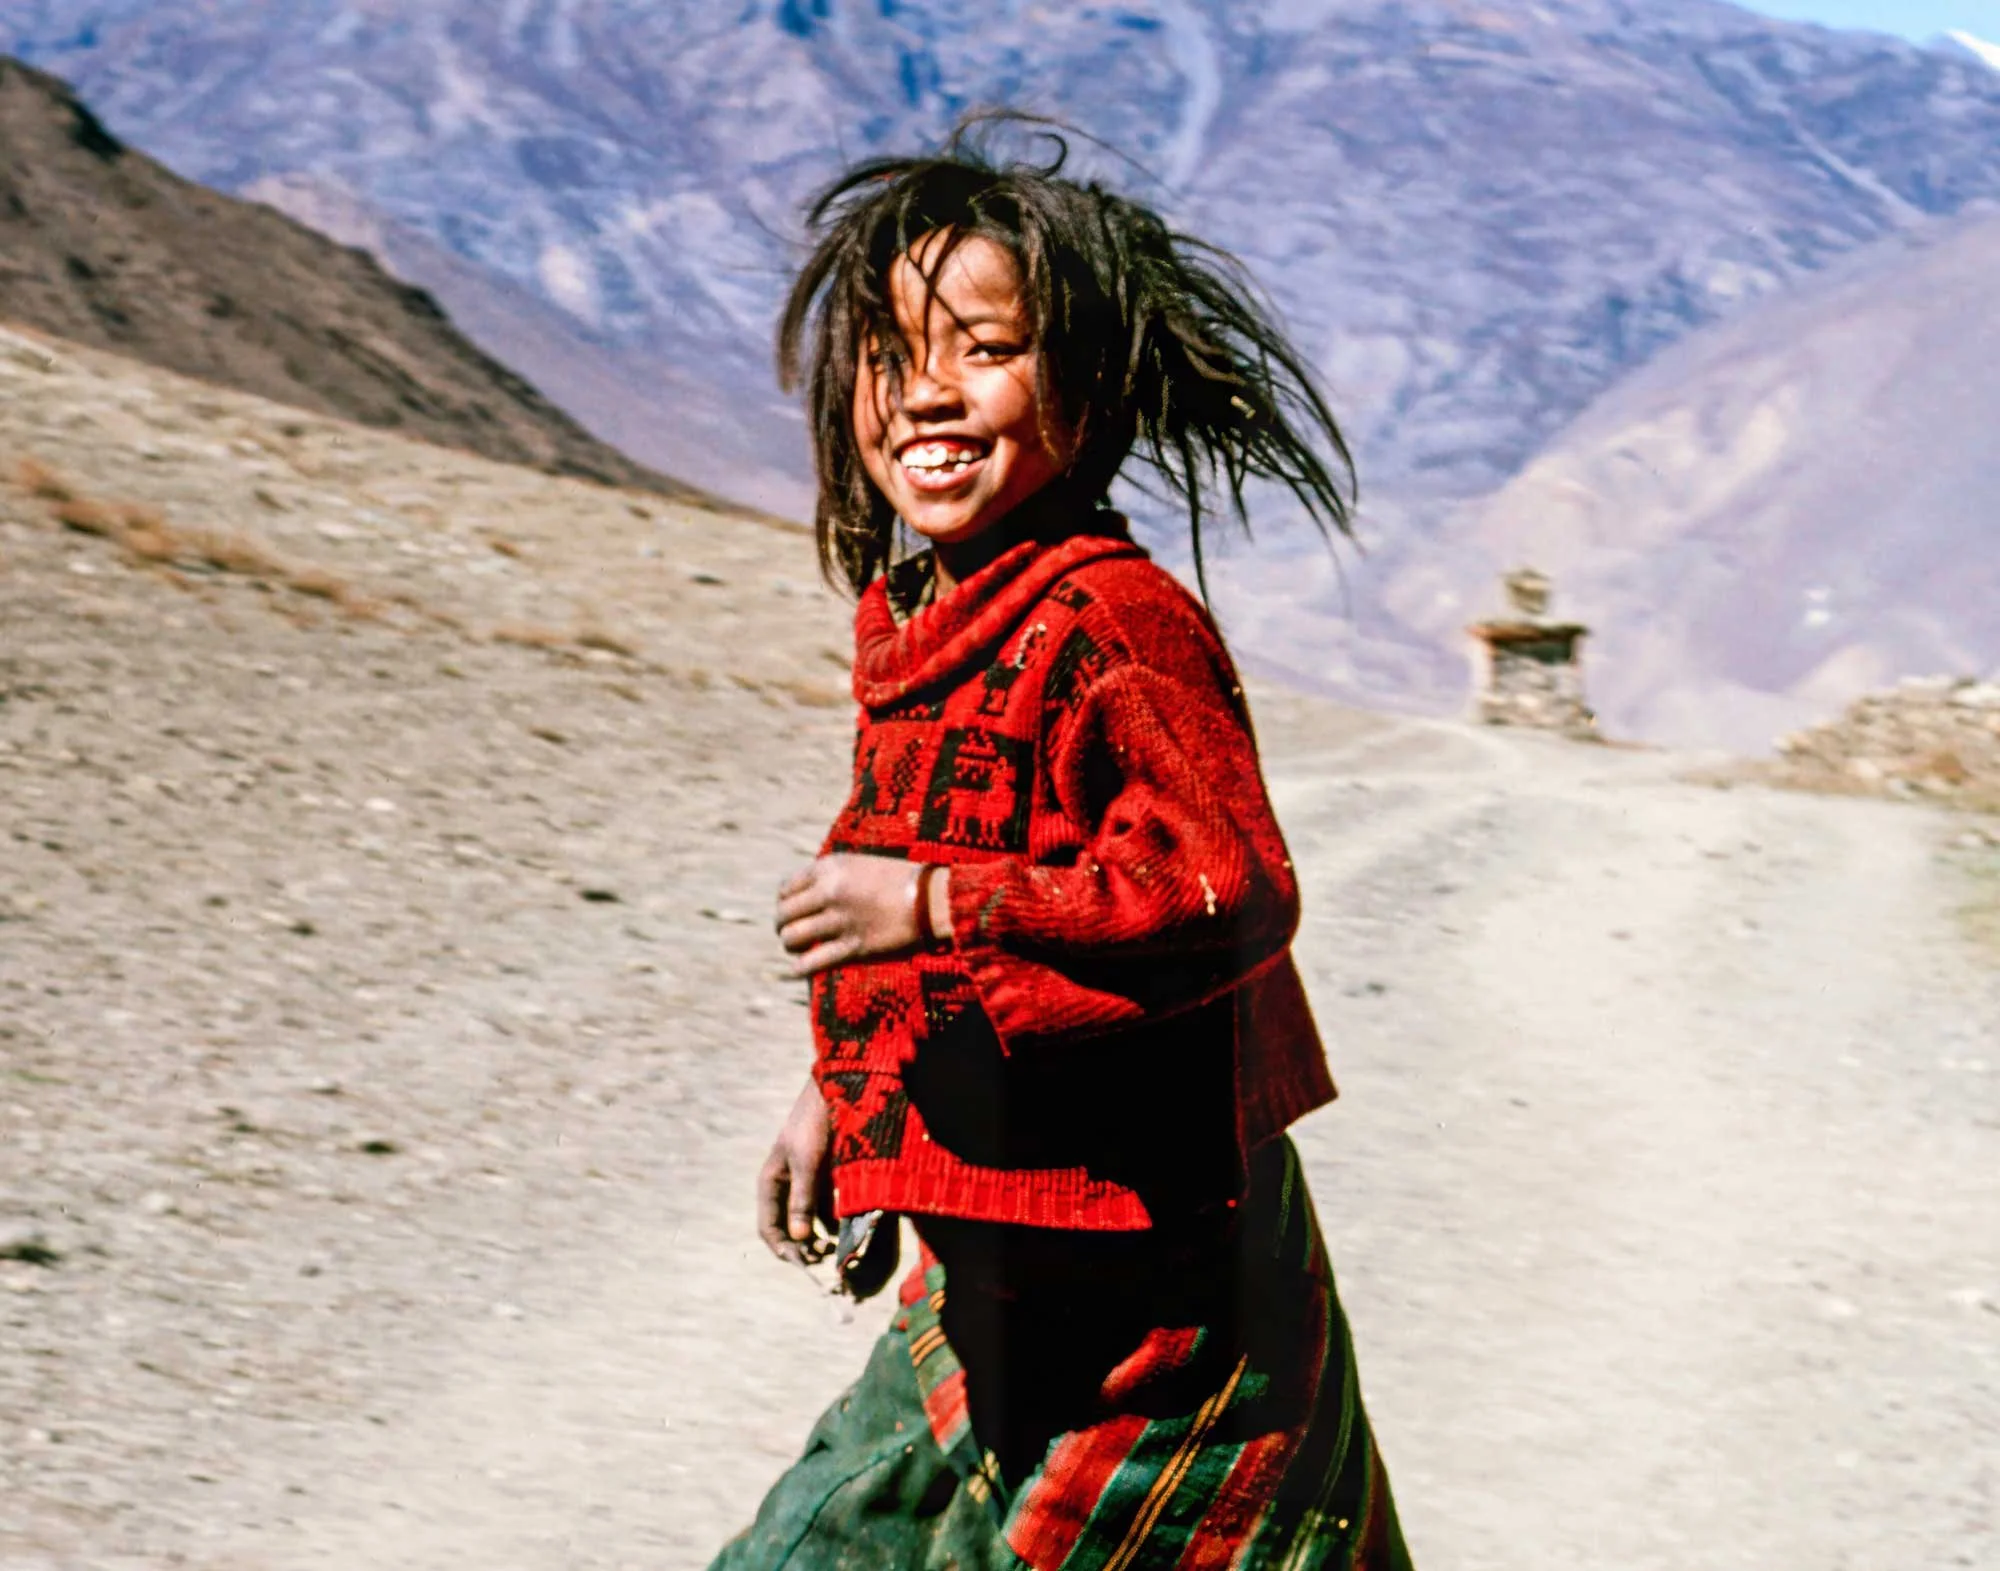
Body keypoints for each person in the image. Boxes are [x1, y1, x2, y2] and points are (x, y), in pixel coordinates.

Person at [712, 123, 1414, 1569]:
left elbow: (1227, 888)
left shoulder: (1116, 624)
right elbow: (904, 887)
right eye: (888, 354)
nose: (926, 394)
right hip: (986, 1255)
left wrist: (934, 901)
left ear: (1087, 388)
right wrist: (842, 1096)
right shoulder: (921, 622)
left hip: (1155, 1278)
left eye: (985, 350)